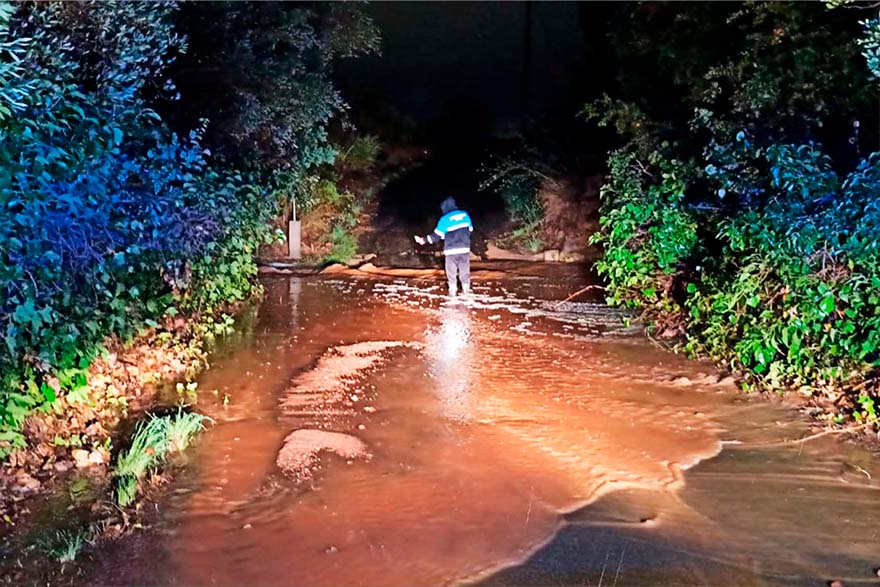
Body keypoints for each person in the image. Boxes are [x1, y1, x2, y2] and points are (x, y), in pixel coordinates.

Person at [414, 196, 473, 296]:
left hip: (451, 251)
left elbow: (437, 236)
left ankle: (452, 291)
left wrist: (423, 240)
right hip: (464, 249)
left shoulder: (444, 219)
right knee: (464, 269)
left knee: (451, 271)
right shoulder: (465, 215)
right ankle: (466, 290)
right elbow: (470, 230)